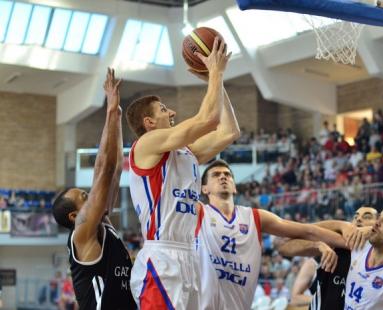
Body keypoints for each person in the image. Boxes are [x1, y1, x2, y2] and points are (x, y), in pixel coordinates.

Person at [126, 37, 239, 309]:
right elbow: (208, 119)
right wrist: (215, 72)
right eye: (164, 110)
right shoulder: (146, 144)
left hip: (189, 255)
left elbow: (229, 131)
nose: (172, 111)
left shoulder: (185, 153)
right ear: (149, 122)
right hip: (161, 257)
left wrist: (216, 82)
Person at [197, 160, 364, 310]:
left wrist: (346, 229)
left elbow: (307, 230)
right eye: (216, 175)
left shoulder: (255, 217)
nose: (223, 177)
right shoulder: (197, 213)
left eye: (227, 174)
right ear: (204, 188)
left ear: (234, 186)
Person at [52, 69, 136, 309]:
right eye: (84, 197)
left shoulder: (104, 224)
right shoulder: (82, 233)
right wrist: (109, 111)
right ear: (75, 216)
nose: (91, 196)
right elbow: (105, 171)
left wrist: (116, 117)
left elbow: (115, 167)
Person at [279, 206, 378, 310]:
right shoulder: (335, 243)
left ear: (377, 224)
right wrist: (317, 244)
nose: (358, 219)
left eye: (367, 217)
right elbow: (285, 246)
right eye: (355, 216)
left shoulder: (382, 258)